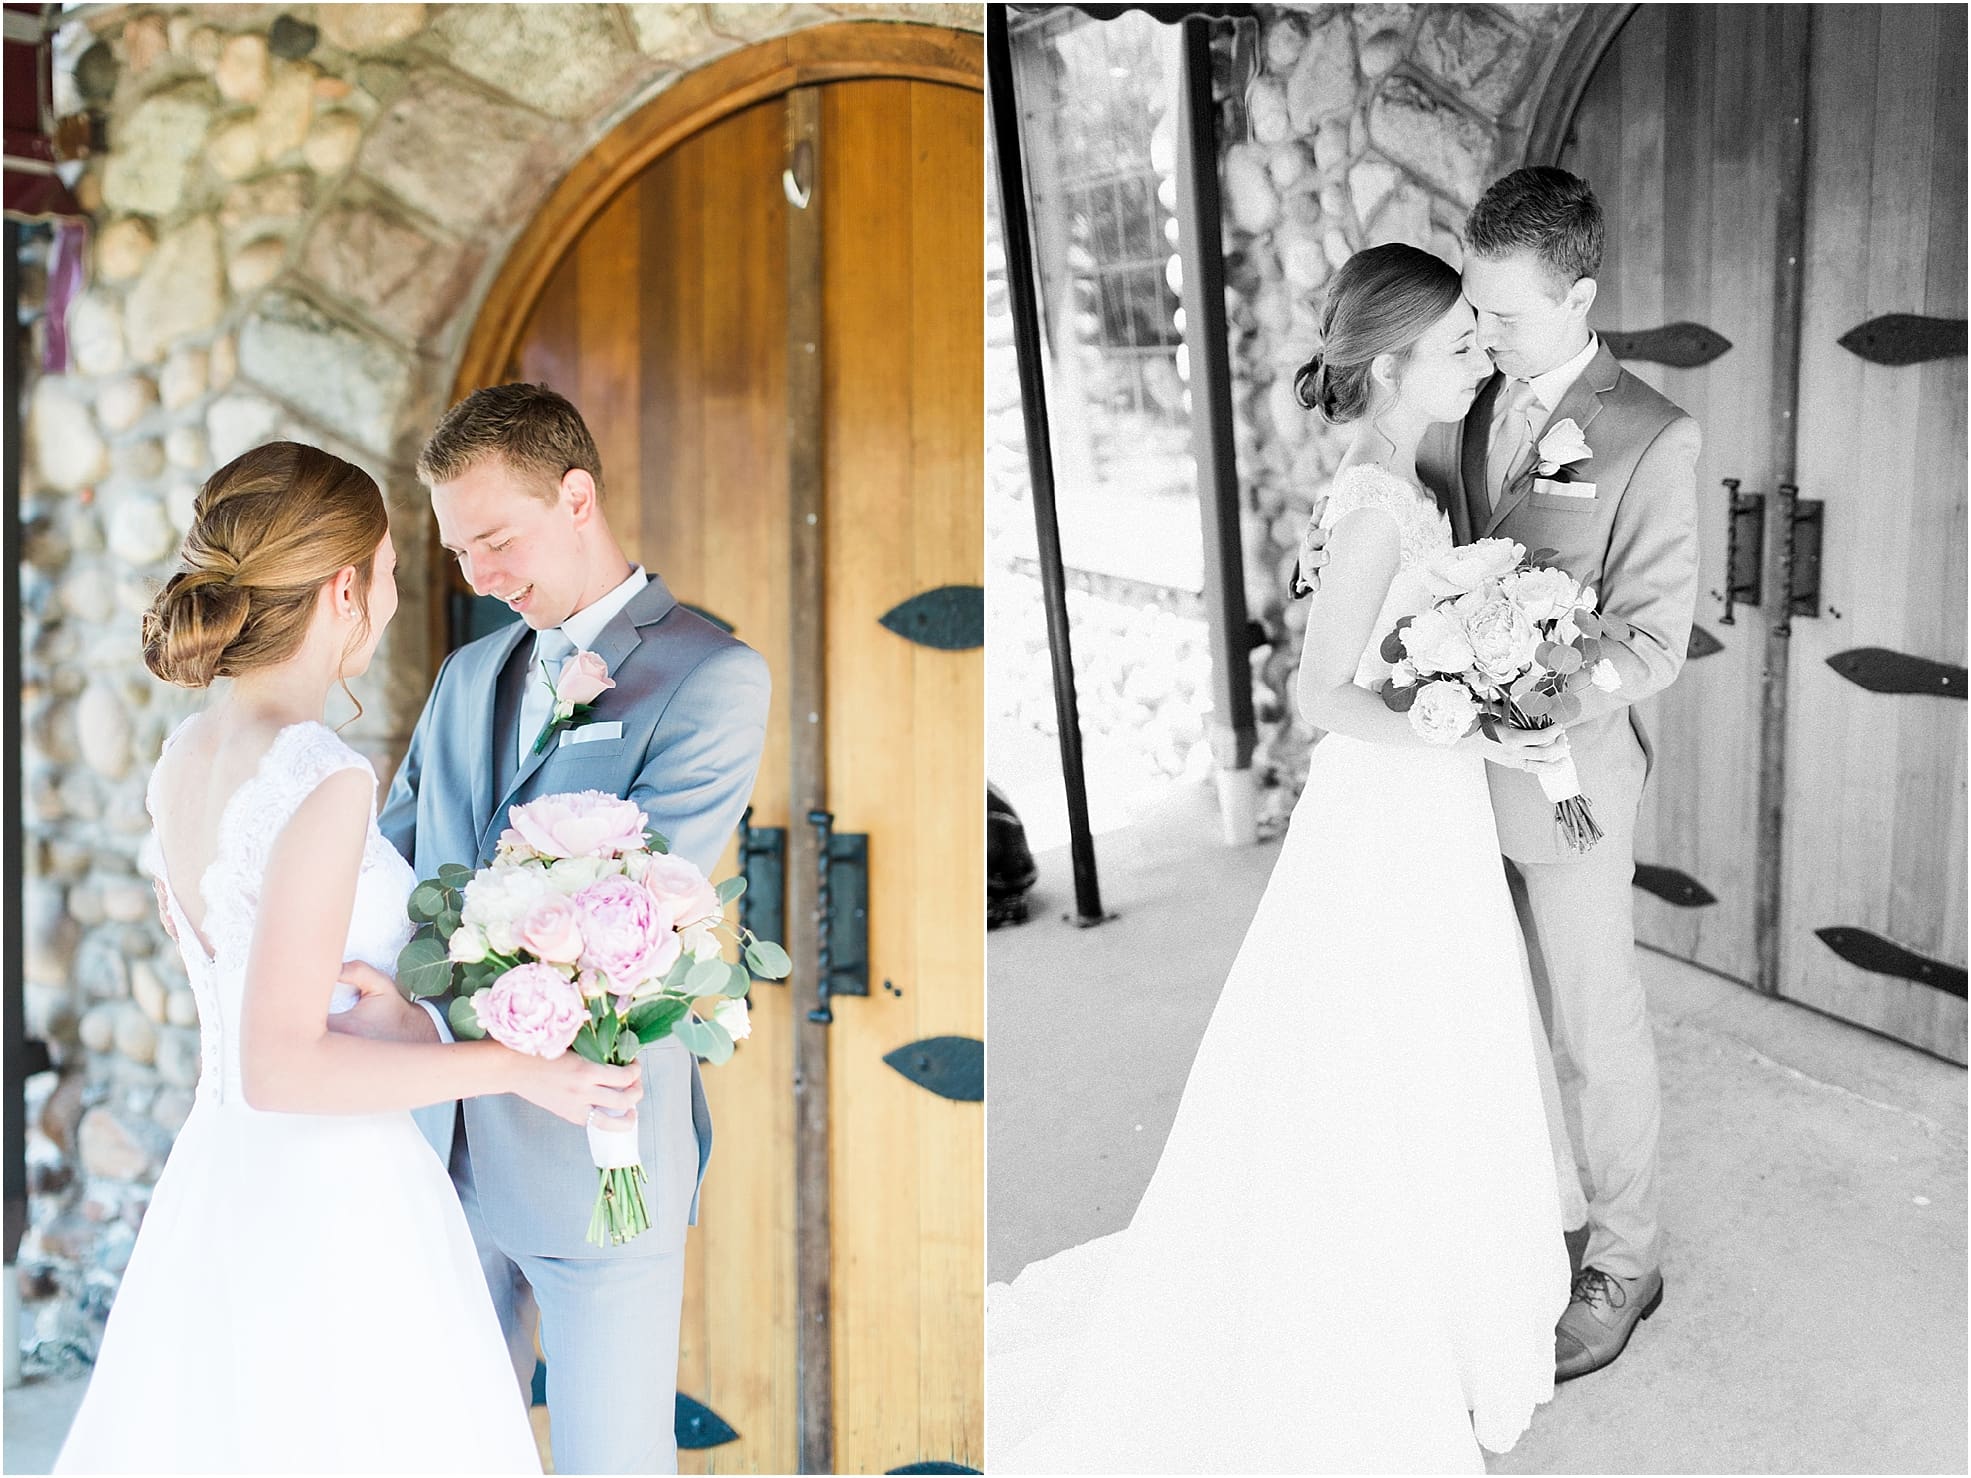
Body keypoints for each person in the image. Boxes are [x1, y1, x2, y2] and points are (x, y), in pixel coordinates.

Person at [995, 244, 1572, 1474]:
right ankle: (1362, 1324)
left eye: (1480, 339)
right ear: (1392, 364)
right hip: (1388, 809)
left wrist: (1467, 695)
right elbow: (1321, 694)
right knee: (1376, 1050)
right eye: (1461, 345)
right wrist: (1463, 720)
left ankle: (1436, 1297)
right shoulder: (1377, 502)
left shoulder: (1392, 482)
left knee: (1418, 1043)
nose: (1478, 360)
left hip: (1417, 804)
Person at [56, 441, 642, 1474]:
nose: (389, 595)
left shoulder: (185, 757)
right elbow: (283, 1063)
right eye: (387, 573)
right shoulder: (318, 773)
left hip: (223, 1179)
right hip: (332, 1201)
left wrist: (414, 1020)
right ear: (343, 586)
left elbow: (260, 1015)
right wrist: (515, 1063)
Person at [1297, 167, 1700, 1382]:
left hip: (1561, 774)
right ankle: (1535, 1216)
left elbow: (1654, 638)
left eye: (1507, 316)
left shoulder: (1652, 432)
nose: (1485, 337)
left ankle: (1626, 1259)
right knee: (1484, 1017)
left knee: (1593, 1021)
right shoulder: (1458, 397)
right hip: (1436, 784)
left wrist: (1534, 697)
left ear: (1581, 295)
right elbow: (1397, 562)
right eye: (1471, 311)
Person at [344, 383, 771, 1475]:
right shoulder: (465, 674)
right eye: (457, 550)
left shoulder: (710, 676)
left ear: (576, 497)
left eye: (496, 538)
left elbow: (624, 912)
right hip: (438, 1150)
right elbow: (387, 864)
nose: (478, 574)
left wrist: (426, 983)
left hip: (596, 1155)